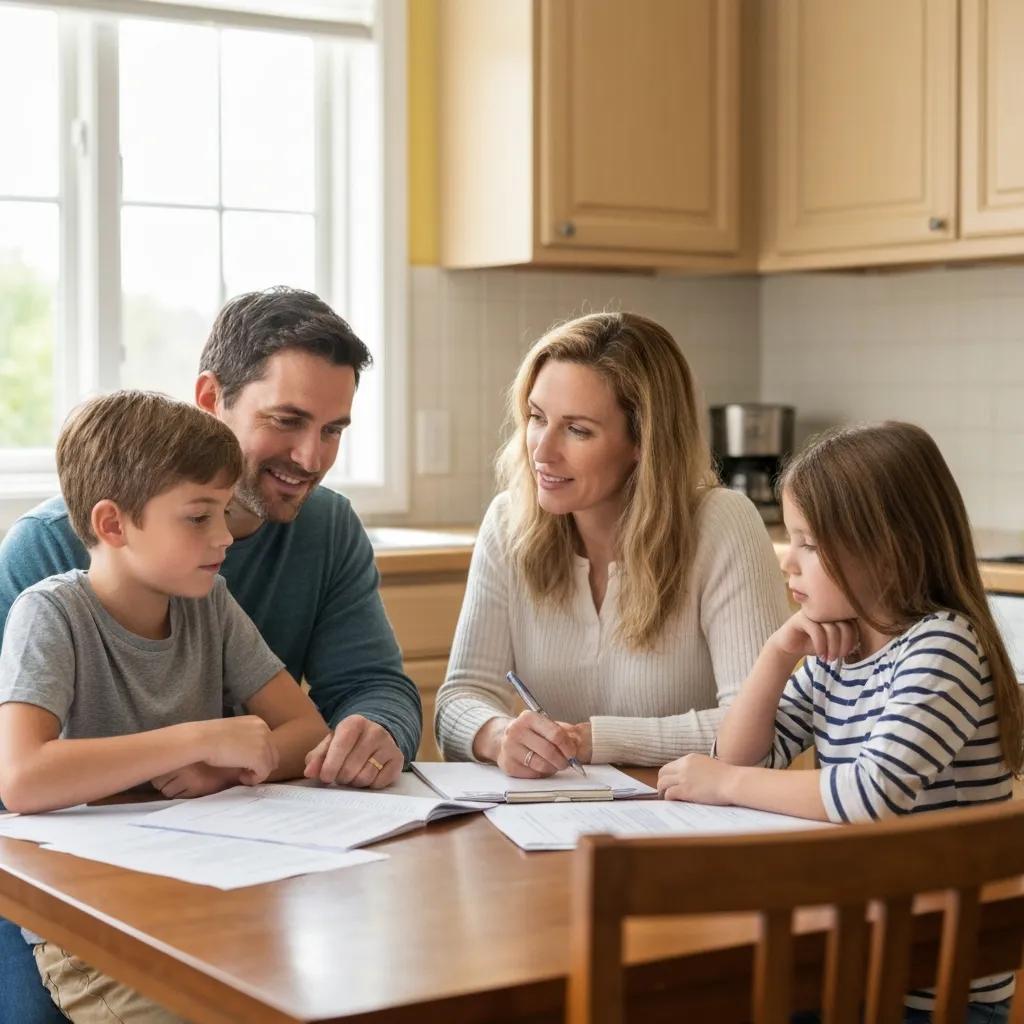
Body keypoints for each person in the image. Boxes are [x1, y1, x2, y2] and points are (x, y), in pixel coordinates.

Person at [0, 287, 422, 1024]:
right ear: (210, 399)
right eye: (288, 422)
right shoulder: (46, 561)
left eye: (333, 430)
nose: (311, 458)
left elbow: (369, 688)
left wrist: (378, 731)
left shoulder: (292, 550)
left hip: (230, 859)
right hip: (60, 881)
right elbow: (16, 778)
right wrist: (205, 742)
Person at [657, 421, 1022, 1021]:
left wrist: (724, 786)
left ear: (883, 548)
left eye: (807, 542)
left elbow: (868, 794)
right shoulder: (843, 651)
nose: (787, 559)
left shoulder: (943, 647)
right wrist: (777, 654)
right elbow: (743, 756)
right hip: (852, 970)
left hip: (934, 995)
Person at [0, 391, 330, 1023]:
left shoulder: (211, 604)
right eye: (198, 516)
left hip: (204, 898)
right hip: (93, 928)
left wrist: (224, 769)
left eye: (224, 512)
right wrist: (196, 740)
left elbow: (305, 730)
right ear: (114, 524)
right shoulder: (49, 615)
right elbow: (21, 778)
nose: (225, 536)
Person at [434, 311, 791, 774]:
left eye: (578, 430)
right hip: (548, 819)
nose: (541, 450)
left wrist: (591, 740)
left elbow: (761, 728)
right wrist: (498, 735)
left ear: (644, 439)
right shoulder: (508, 521)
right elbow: (459, 699)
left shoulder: (723, 525)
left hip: (687, 820)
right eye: (537, 418)